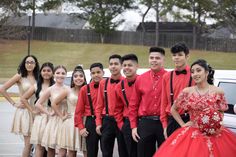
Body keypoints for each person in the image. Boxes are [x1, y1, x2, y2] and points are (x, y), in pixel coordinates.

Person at [153, 59, 236, 157]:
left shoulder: (218, 91)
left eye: (198, 70)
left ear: (206, 72)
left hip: (214, 133)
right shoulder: (187, 91)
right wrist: (183, 125)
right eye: (192, 72)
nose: (195, 74)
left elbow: (221, 112)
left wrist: (215, 124)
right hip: (192, 132)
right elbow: (173, 109)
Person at [129, 47, 167, 157]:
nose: (154, 60)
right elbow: (133, 105)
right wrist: (133, 126)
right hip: (145, 123)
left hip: (163, 123)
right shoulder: (141, 79)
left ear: (163, 60)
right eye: (151, 58)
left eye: (157, 58)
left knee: (165, 153)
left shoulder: (169, 77)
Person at [0, 55, 40, 157]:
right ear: (24, 63)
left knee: (37, 143)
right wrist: (14, 103)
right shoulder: (20, 76)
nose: (29, 64)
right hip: (25, 112)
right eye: (27, 62)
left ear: (35, 64)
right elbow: (2, 89)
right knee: (28, 143)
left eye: (32, 62)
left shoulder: (39, 77)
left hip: (37, 112)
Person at [95, 54, 128, 157]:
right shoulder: (102, 83)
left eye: (116, 64)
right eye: (111, 64)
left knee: (124, 151)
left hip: (122, 120)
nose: (113, 66)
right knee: (106, 152)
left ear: (121, 66)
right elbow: (99, 105)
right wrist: (98, 123)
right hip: (107, 121)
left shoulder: (126, 82)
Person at [51, 65, 87, 157]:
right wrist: (62, 116)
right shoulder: (68, 91)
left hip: (85, 122)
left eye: (81, 76)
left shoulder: (88, 90)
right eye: (75, 76)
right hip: (71, 123)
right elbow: (54, 103)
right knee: (71, 151)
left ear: (84, 78)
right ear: (73, 79)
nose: (78, 78)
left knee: (86, 150)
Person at [160, 43, 194, 138]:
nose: (176, 58)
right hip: (172, 121)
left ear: (187, 56)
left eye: (180, 55)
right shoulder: (166, 77)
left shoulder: (195, 75)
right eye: (174, 55)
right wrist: (165, 125)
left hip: (189, 121)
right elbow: (164, 102)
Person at [21, 62, 54, 157]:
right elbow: (23, 98)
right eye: (44, 70)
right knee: (39, 146)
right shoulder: (36, 86)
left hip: (52, 117)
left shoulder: (56, 86)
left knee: (51, 147)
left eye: (49, 70)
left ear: (52, 73)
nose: (46, 73)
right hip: (40, 118)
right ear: (41, 72)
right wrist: (32, 110)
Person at [35, 65, 68, 157]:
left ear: (65, 75)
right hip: (53, 121)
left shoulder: (68, 89)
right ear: (54, 74)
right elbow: (38, 103)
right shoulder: (50, 89)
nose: (60, 75)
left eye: (63, 73)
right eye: (58, 73)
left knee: (63, 149)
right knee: (51, 149)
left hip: (65, 120)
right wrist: (48, 113)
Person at [75, 63, 104, 157]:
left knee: (107, 151)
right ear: (90, 75)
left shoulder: (108, 86)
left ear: (103, 72)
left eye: (98, 72)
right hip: (91, 122)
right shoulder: (84, 89)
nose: (96, 75)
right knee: (91, 152)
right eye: (93, 73)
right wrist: (81, 127)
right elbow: (78, 111)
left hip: (106, 121)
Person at [114, 54, 138, 157]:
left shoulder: (143, 81)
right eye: (124, 65)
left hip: (143, 122)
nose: (127, 68)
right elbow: (117, 109)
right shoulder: (119, 86)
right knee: (130, 153)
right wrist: (122, 126)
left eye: (130, 65)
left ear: (137, 66)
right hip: (127, 123)